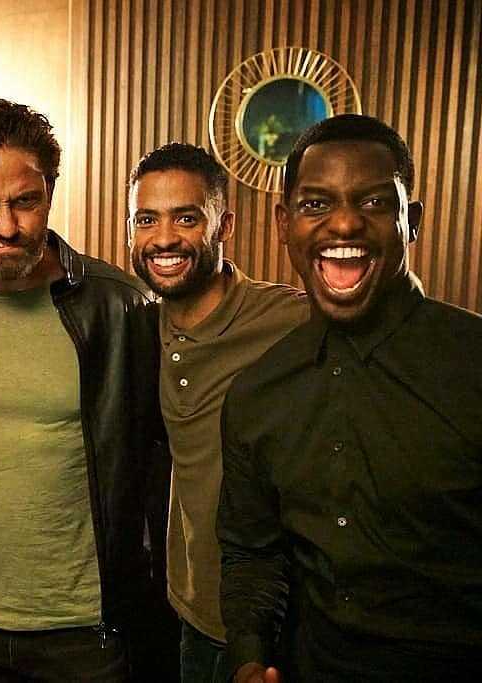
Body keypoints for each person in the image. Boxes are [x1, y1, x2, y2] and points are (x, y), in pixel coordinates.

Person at [0, 98, 166, 680]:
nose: (7, 226)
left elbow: (163, 458)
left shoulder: (120, 306)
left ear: (50, 194)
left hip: (85, 634)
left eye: (24, 201)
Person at [217, 114, 482, 682]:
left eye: (374, 203)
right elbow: (252, 553)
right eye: (316, 204)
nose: (343, 222)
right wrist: (248, 656)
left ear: (411, 221)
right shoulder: (256, 393)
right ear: (285, 224)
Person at [127, 143, 308, 682]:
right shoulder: (137, 326)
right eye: (146, 219)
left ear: (224, 225)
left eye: (186, 218)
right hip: (195, 611)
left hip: (286, 620)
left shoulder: (289, 318)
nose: (163, 238)